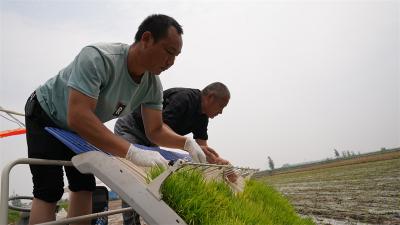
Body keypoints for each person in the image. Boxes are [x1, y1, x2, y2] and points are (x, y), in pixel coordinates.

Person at [24, 14, 207, 225]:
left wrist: (185, 142)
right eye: (169, 52)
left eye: (176, 56)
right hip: (46, 113)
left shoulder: (153, 85)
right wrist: (132, 151)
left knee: (84, 186)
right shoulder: (98, 58)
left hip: (79, 129)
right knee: (49, 189)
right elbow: (79, 116)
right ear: (146, 39)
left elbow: (155, 130)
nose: (171, 62)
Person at [114, 82, 232, 225]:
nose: (221, 112)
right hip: (132, 128)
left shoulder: (202, 117)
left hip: (150, 139)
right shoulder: (184, 99)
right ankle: (131, 223)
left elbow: (201, 149)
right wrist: (187, 143)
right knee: (133, 176)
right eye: (221, 107)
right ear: (211, 97)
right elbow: (158, 129)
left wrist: (218, 162)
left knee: (152, 179)